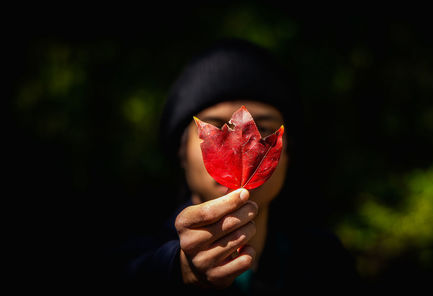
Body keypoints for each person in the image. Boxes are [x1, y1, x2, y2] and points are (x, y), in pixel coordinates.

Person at [117, 39, 361, 294]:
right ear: (182, 151)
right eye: (216, 128)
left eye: (264, 129)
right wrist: (178, 271)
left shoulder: (326, 263)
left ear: (288, 152)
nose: (239, 149)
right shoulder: (129, 256)